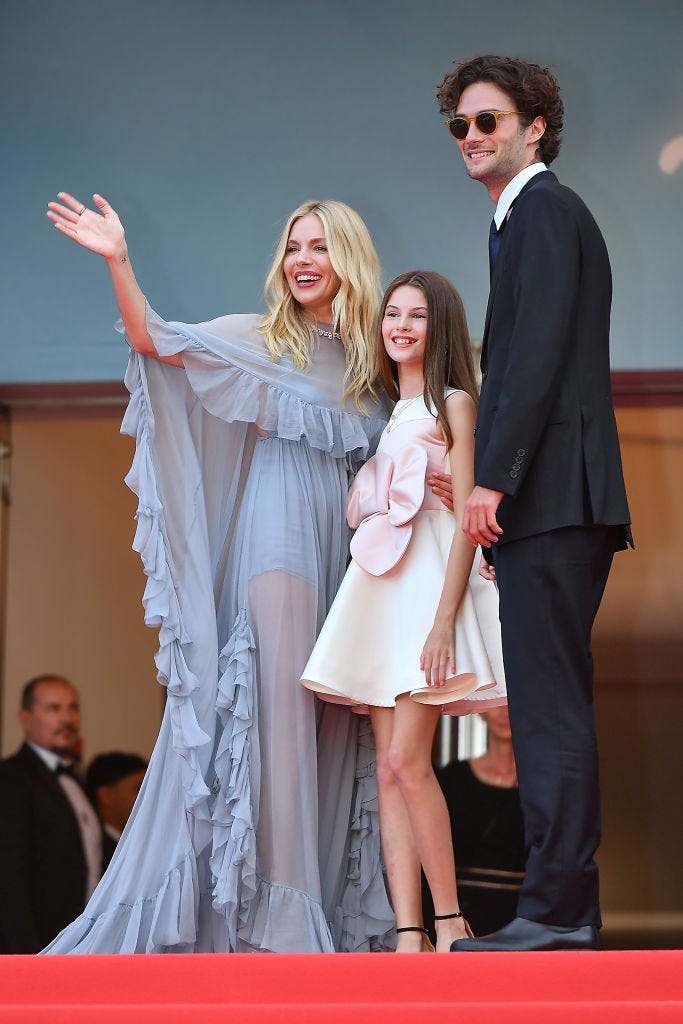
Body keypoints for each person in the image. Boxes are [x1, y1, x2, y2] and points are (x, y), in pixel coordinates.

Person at [43, 192, 451, 954]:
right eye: (294, 245)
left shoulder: (377, 363)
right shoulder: (261, 339)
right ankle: (275, 922)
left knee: (338, 727)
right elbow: (150, 337)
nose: (302, 259)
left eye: (320, 247)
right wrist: (119, 260)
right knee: (277, 717)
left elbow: (418, 441)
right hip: (281, 545)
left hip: (349, 563)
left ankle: (322, 909)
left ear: (349, 261)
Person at [436, 55, 632, 952]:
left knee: (548, 704)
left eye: (487, 120)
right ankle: (562, 906)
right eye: (460, 126)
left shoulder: (544, 211)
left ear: (534, 126)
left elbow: (535, 362)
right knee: (551, 699)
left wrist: (493, 480)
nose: (472, 137)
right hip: (545, 503)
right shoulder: (524, 219)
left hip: (552, 497)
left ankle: (555, 911)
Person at [302, 270, 506, 952]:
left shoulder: (454, 404)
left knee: (408, 761)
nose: (400, 326)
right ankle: (408, 929)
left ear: (437, 325)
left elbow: (466, 521)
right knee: (389, 764)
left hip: (426, 596)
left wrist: (445, 619)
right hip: (383, 589)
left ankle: (449, 921)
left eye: (415, 316)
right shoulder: (388, 408)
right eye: (392, 314)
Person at [0, 675, 104, 953]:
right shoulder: (11, 778)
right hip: (38, 948)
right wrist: (28, 956)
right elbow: (9, 876)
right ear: (25, 718)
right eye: (53, 709)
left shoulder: (76, 780)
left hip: (83, 945)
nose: (67, 719)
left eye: (73, 708)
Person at [423, 707, 525, 939]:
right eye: (496, 701)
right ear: (480, 710)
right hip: (458, 921)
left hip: (522, 923)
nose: (505, 712)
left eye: (512, 702)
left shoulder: (544, 790)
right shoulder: (450, 781)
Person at [85, 752, 148, 868]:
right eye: (138, 789)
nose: (148, 798)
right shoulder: (92, 851)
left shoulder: (146, 845)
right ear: (106, 795)